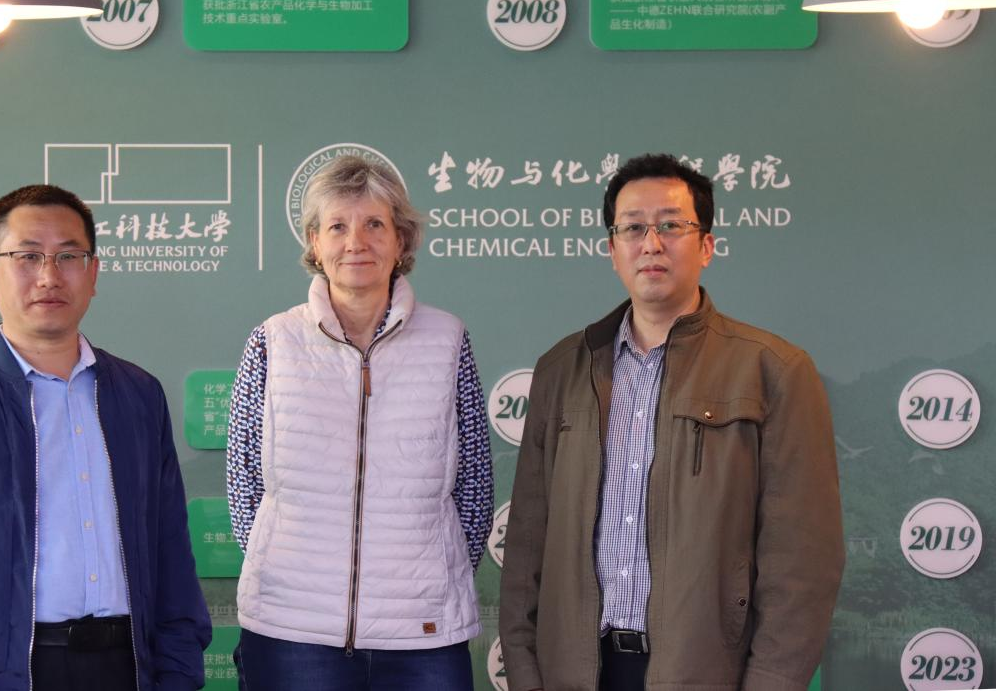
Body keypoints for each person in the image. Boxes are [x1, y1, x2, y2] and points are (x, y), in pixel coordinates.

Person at [499, 153, 844, 691]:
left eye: (671, 225)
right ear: (612, 249)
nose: (651, 243)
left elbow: (802, 561)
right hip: (577, 671)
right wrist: (525, 673)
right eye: (633, 227)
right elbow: (526, 545)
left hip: (705, 672)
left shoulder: (774, 370)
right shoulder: (562, 369)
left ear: (706, 245)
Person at [0, 184, 211, 691]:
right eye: (28, 256)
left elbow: (171, 553)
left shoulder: (139, 395)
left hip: (130, 668)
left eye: (69, 256)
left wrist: (179, 674)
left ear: (93, 273)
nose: (50, 276)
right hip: (7, 674)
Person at [226, 155, 494, 691]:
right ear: (314, 241)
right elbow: (244, 485)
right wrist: (289, 576)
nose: (356, 242)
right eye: (337, 226)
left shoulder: (447, 340)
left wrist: (432, 574)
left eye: (374, 224)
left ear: (401, 240)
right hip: (293, 632)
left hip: (422, 633)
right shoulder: (273, 341)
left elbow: (474, 486)